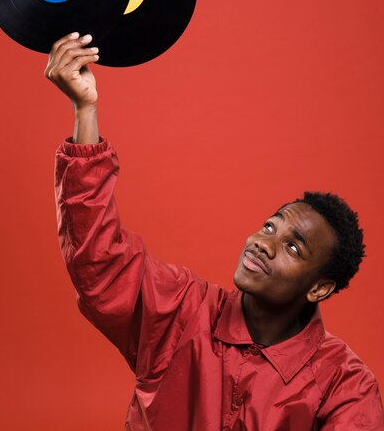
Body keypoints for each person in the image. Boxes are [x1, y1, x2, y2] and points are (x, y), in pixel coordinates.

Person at [47, 32, 384, 430]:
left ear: (319, 288)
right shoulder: (180, 311)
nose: (263, 243)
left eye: (293, 247)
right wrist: (85, 109)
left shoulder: (345, 384)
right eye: (270, 227)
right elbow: (98, 260)